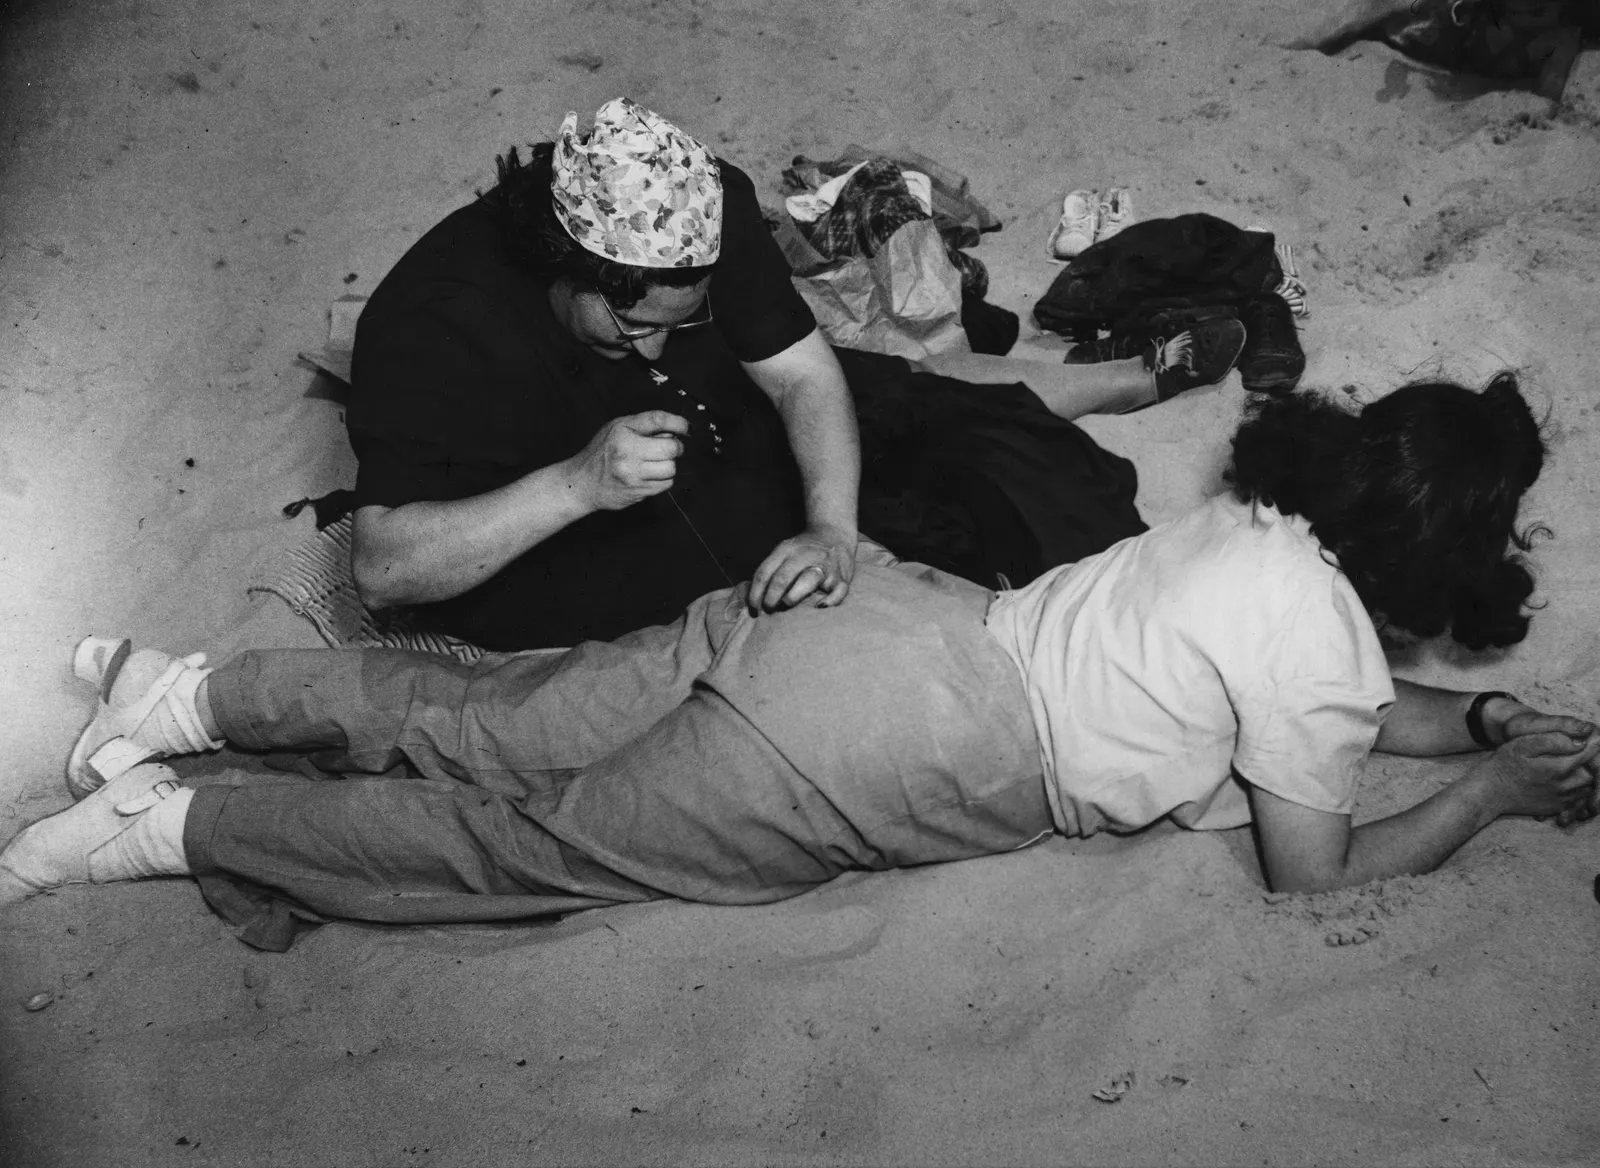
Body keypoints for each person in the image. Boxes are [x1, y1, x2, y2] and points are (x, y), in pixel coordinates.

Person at [22, 376, 1584, 941]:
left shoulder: (1261, 523)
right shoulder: (1317, 649)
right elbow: (1312, 873)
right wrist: (1500, 789)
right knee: (514, 842)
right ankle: (171, 825)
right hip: (905, 753)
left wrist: (1482, 717)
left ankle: (189, 692)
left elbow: (1350, 708)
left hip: (879, 619)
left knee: (499, 712)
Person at [345, 97, 1230, 650]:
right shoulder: (435, 320)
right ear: (564, 271)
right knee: (801, 616)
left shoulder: (712, 209)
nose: (656, 347)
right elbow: (384, 572)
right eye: (630, 326)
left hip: (725, 423)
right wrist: (573, 487)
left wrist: (832, 527)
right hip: (570, 519)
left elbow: (804, 376)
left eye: (683, 320)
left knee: (942, 422)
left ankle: (1115, 384)